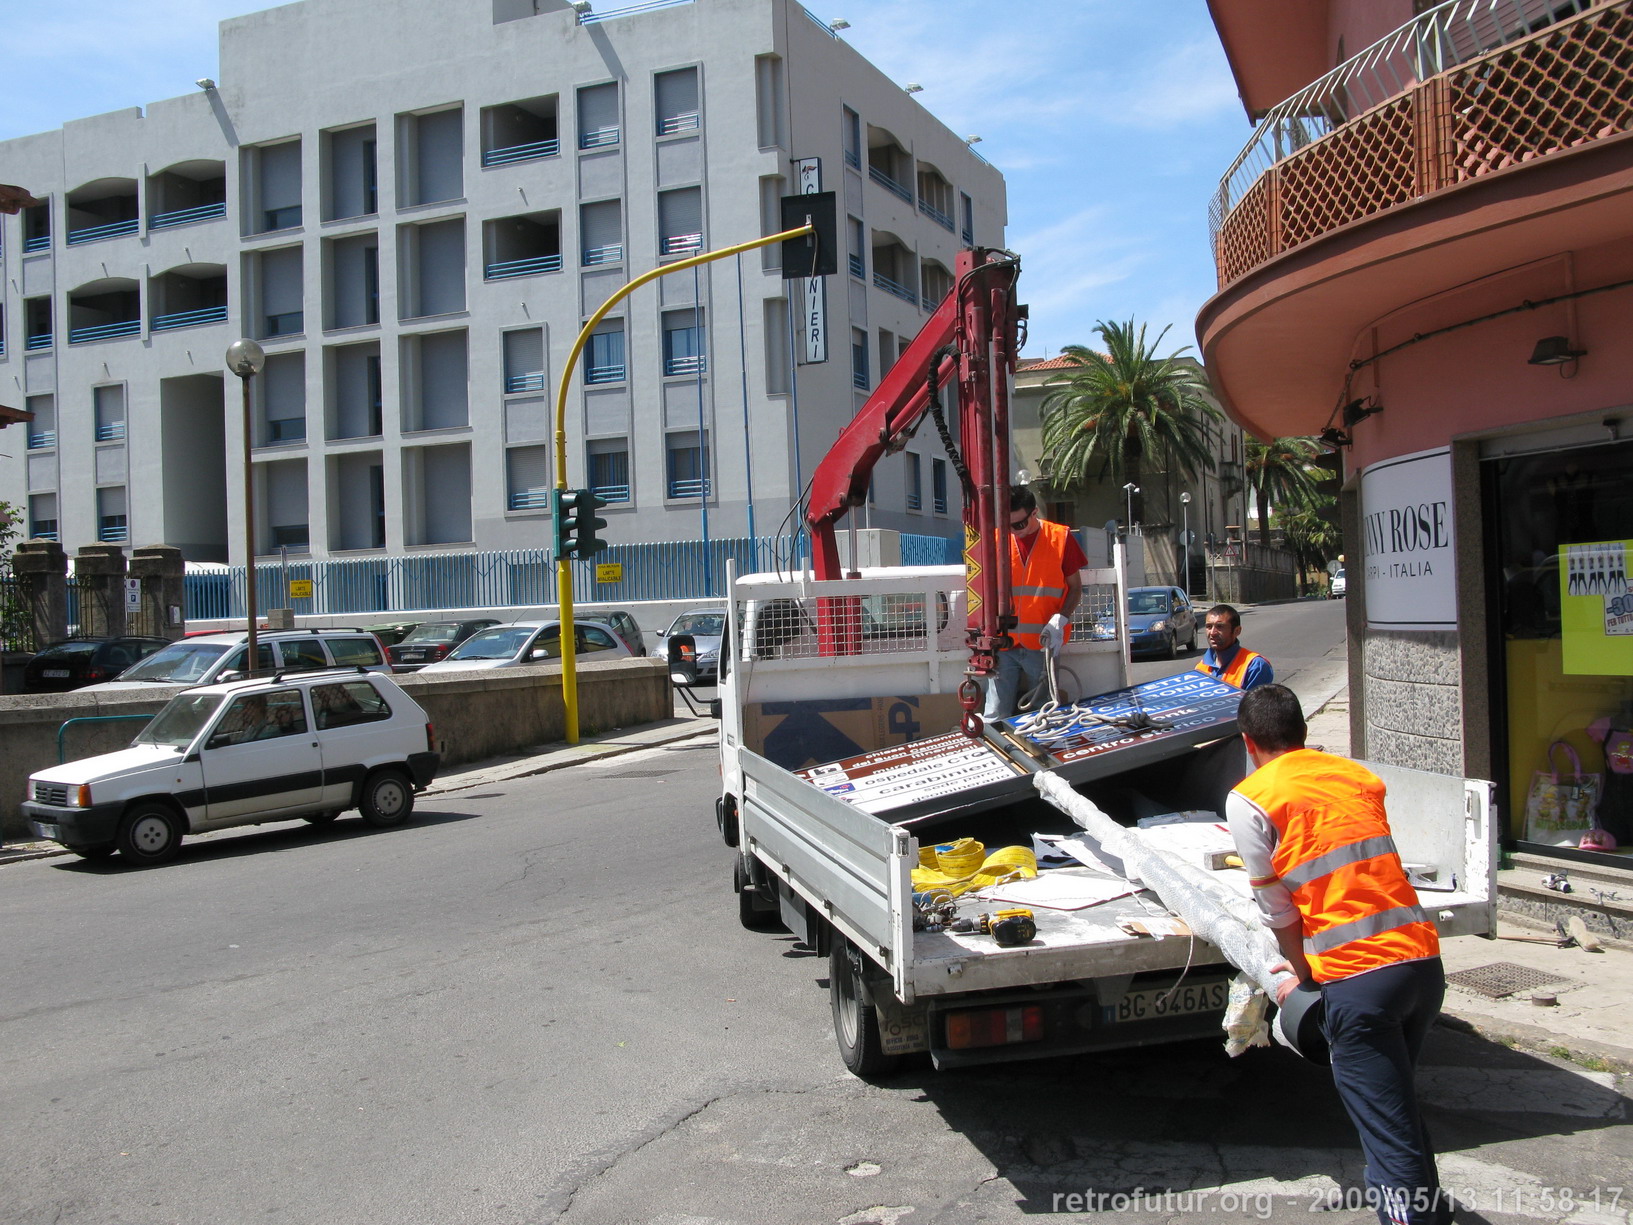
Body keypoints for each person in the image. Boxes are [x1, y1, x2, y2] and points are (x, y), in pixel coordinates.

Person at [1226, 685, 1450, 1225]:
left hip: (1360, 981)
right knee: (1394, 1112)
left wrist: (1297, 976)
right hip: (1421, 964)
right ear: (1304, 733)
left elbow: (1277, 908)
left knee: (1387, 1135)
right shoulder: (1356, 776)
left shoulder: (1251, 797)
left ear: (1248, 741)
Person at [982, 486, 1085, 719]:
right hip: (1003, 643)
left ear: (1034, 513)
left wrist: (1061, 619)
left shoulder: (1060, 538)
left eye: (1019, 524)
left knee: (1042, 715)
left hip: (1042, 642)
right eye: (1008, 525)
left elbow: (1076, 587)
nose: (1014, 531)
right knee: (995, 714)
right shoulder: (997, 539)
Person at [1194, 603, 1273, 690]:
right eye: (1209, 626)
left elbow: (1255, 703)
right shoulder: (1200, 668)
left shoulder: (1255, 666)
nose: (1212, 633)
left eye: (1220, 627)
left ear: (1237, 631)